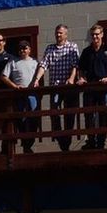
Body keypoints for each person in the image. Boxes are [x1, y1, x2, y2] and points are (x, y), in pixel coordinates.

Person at [75, 25, 107, 149]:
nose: (95, 37)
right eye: (93, 34)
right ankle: (91, 140)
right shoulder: (86, 52)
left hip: (104, 87)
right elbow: (81, 69)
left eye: (97, 34)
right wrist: (82, 78)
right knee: (89, 115)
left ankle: (101, 141)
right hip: (89, 88)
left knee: (103, 114)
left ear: (102, 34)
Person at [41, 23, 81, 151]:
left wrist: (71, 78)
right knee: (54, 114)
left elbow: (76, 65)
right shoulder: (50, 48)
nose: (58, 35)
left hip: (69, 87)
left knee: (69, 114)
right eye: (57, 32)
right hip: (55, 87)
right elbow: (43, 65)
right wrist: (36, 80)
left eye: (60, 33)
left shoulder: (72, 47)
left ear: (66, 34)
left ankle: (67, 141)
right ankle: (61, 140)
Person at [5, 39, 42, 152]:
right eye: (21, 48)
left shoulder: (36, 62)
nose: (23, 50)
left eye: (25, 48)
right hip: (19, 95)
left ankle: (29, 144)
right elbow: (4, 76)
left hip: (32, 95)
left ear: (29, 50)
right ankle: (25, 145)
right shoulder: (13, 62)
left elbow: (41, 75)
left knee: (34, 119)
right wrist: (14, 86)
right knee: (21, 120)